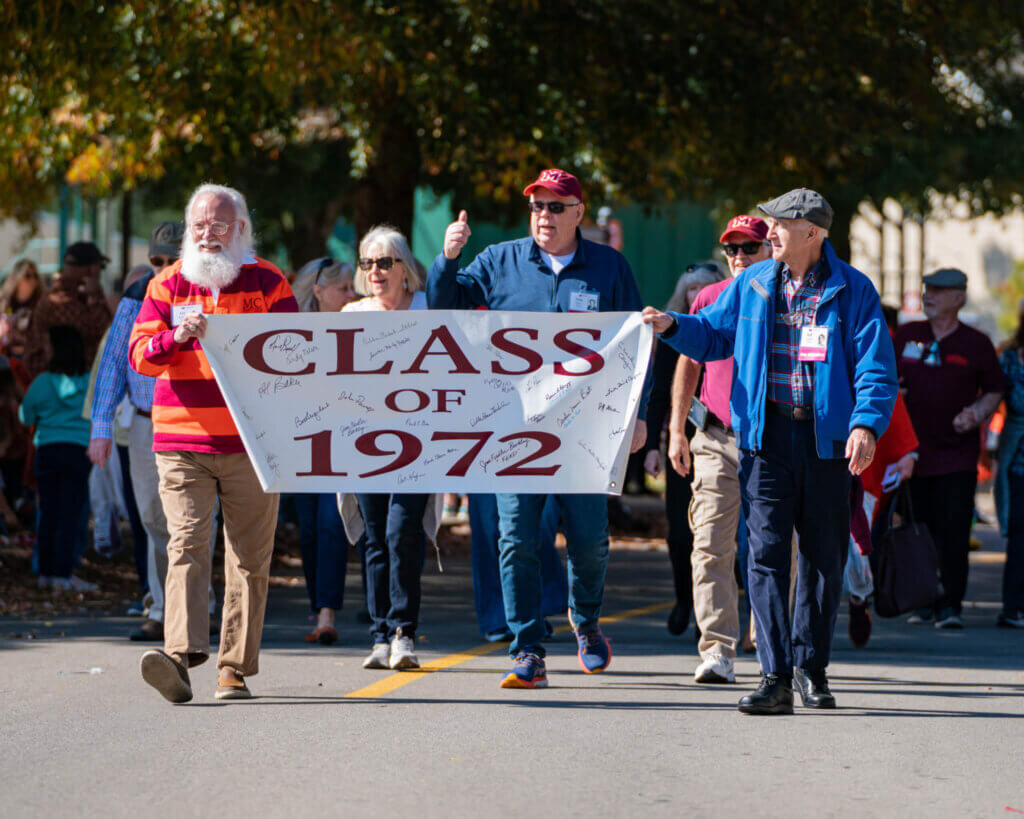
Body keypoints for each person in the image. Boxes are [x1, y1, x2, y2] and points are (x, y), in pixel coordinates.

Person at [643, 188, 897, 714]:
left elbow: (876, 368)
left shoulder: (854, 290)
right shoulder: (755, 284)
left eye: (779, 224)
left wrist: (866, 426)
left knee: (823, 559)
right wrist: (673, 328)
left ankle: (812, 667)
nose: (770, 232)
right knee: (765, 557)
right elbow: (713, 338)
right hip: (765, 440)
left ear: (812, 232)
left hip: (826, 443)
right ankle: (776, 675)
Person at [429, 167, 650, 689]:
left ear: (578, 213)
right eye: (537, 206)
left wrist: (640, 414)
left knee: (590, 539)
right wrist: (449, 257)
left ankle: (587, 621)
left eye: (556, 207)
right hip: (513, 427)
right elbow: (444, 306)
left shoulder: (608, 267)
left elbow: (638, 341)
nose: (544, 216)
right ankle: (527, 648)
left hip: (586, 429)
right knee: (516, 538)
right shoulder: (499, 260)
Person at [129, 184, 298, 704]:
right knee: (185, 543)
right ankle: (178, 656)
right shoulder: (166, 285)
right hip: (181, 440)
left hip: (253, 440)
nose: (207, 234)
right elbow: (139, 355)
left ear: (241, 230)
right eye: (199, 225)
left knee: (249, 556)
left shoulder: (268, 281)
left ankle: (233, 669)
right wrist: (174, 339)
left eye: (219, 225)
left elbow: (298, 352)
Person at [89, 224, 219, 642]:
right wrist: (101, 426)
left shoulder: (209, 290)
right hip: (148, 421)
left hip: (198, 419)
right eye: (156, 262)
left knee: (198, 518)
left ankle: (191, 607)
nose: (162, 269)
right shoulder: (137, 294)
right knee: (152, 516)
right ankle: (163, 602)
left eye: (170, 260)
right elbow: (114, 360)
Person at [665, 216, 772, 683]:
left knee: (770, 548)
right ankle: (717, 651)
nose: (740, 257)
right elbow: (689, 362)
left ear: (771, 250)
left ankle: (770, 641)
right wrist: (675, 429)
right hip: (714, 435)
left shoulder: (784, 299)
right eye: (732, 249)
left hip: (770, 439)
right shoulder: (709, 297)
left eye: (750, 248)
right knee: (708, 543)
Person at [340, 226, 437, 671]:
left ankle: (404, 633)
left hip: (418, 444)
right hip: (366, 443)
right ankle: (379, 636)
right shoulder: (350, 313)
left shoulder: (428, 309)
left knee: (403, 532)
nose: (375, 272)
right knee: (374, 538)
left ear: (404, 269)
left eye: (384, 262)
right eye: (367, 263)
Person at [894, 268, 1003, 629]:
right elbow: (885, 378)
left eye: (938, 290)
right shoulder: (909, 335)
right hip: (911, 454)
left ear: (959, 297)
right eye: (927, 289)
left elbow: (993, 390)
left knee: (954, 530)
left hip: (956, 455)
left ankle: (950, 605)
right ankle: (922, 601)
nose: (929, 295)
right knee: (917, 530)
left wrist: (976, 413)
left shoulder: (976, 343)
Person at [645, 262, 726, 640]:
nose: (697, 296)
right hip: (679, 441)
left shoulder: (728, 327)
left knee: (718, 535)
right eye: (690, 290)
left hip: (721, 439)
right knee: (681, 532)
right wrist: (652, 448)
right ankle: (684, 600)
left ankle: (714, 616)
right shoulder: (670, 336)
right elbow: (659, 392)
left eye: (704, 288)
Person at [293, 256, 360, 645]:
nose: (352, 295)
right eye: (344, 288)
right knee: (307, 529)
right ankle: (317, 603)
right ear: (318, 292)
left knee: (332, 523)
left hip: (344, 440)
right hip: (302, 443)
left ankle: (326, 612)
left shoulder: (360, 325)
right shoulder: (291, 331)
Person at [18, 325, 93, 591]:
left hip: (47, 451)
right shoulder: (90, 382)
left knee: (48, 511)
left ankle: (45, 573)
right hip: (79, 452)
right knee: (71, 513)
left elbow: (25, 417)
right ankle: (64, 573)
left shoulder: (42, 383)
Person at [22, 241, 113, 376]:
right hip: (61, 383)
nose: (100, 272)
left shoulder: (62, 294)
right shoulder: (60, 301)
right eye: (101, 267)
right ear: (92, 269)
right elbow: (105, 336)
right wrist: (95, 299)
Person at [992, 307, 1024, 628]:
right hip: (1018, 463)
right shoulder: (1010, 358)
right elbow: (994, 397)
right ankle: (1013, 607)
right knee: (1019, 536)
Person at [0, 259, 44, 359]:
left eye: (35, 276)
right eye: (27, 276)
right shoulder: (5, 302)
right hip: (6, 356)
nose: (32, 280)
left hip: (33, 357)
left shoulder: (41, 303)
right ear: (17, 278)